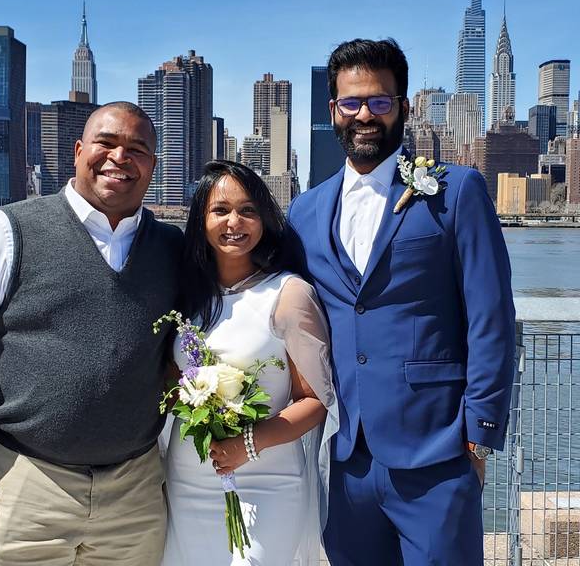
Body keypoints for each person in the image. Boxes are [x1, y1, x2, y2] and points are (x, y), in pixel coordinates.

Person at [0, 101, 183, 566]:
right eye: (106, 143)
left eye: (137, 149)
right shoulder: (5, 231)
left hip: (135, 489)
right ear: (79, 151)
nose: (120, 157)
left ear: (153, 166)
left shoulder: (173, 249)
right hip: (24, 481)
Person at [287, 38, 516, 565]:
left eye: (380, 101)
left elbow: (492, 319)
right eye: (352, 102)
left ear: (404, 108)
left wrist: (477, 436)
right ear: (333, 111)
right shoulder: (304, 211)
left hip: (437, 452)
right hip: (346, 459)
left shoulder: (456, 191)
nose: (365, 114)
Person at [162, 160, 337, 565]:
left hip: (268, 483)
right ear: (201, 220)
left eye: (248, 210)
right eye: (220, 210)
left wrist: (247, 443)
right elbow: (171, 386)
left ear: (264, 219)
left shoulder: (289, 294)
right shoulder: (187, 296)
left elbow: (315, 401)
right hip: (186, 480)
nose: (234, 222)